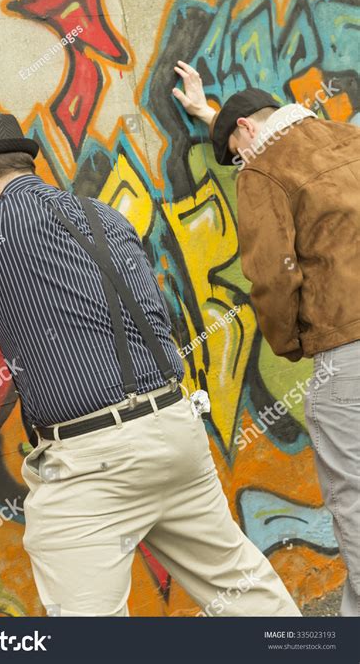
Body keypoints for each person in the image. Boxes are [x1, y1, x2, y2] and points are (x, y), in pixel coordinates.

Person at [0, 113, 300, 617]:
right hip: (176, 430)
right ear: (26, 161)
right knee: (242, 587)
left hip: (95, 458)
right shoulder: (104, 214)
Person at [173, 60, 360, 617]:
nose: (239, 167)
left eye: (235, 155)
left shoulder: (262, 171)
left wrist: (290, 343)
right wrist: (211, 115)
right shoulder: (345, 136)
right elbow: (266, 136)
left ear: (249, 132)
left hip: (346, 353)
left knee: (352, 501)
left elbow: (273, 275)